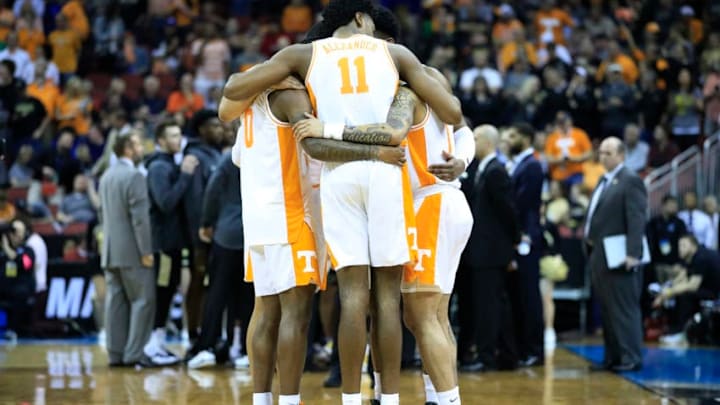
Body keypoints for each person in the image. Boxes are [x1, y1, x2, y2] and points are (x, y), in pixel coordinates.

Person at [222, 2, 461, 404]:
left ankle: (351, 398)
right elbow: (452, 112)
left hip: (336, 171)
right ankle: (389, 398)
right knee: (387, 297)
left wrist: (275, 80)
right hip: (387, 171)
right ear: (362, 18)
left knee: (351, 296)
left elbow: (231, 91)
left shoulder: (303, 54)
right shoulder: (396, 54)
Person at [293, 9, 474, 404]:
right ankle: (403, 393)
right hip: (424, 199)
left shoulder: (410, 83)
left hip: (430, 200)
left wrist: (328, 128)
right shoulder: (413, 80)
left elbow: (451, 124)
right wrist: (463, 158)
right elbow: (462, 128)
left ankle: (444, 400)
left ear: (384, 45)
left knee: (421, 312)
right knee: (414, 311)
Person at [98, 132, 172, 367]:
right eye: (138, 145)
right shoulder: (135, 176)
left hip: (110, 251)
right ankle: (134, 354)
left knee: (116, 303)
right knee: (143, 301)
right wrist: (146, 251)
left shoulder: (106, 176)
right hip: (133, 252)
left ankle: (115, 354)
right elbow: (140, 220)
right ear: (128, 150)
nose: (142, 148)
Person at [457, 125, 520, 373]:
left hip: (491, 253)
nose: (471, 142)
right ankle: (502, 354)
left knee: (489, 306)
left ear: (487, 141)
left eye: (475, 138)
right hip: (483, 252)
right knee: (492, 305)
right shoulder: (485, 169)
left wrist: (514, 241)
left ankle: (487, 356)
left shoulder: (495, 171)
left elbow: (508, 211)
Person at [584, 137, 648, 372]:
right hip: (600, 255)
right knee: (608, 310)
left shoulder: (630, 180)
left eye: (608, 153)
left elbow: (637, 218)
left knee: (624, 309)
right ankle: (613, 358)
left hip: (621, 256)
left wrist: (633, 253)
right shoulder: (605, 180)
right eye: (601, 152)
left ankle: (631, 357)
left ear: (622, 155)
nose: (603, 156)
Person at [188, 149, 253, 370]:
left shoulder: (228, 158)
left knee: (216, 293)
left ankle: (206, 347)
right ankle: (246, 351)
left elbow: (212, 191)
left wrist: (206, 222)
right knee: (249, 296)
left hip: (226, 234)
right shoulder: (263, 152)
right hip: (253, 232)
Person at [144, 121, 198, 364]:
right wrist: (185, 176)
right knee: (163, 291)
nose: (179, 139)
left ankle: (160, 342)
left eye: (180, 135)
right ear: (161, 141)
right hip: (164, 244)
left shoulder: (167, 164)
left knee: (169, 289)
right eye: (173, 135)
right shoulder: (157, 167)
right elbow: (165, 202)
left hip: (174, 242)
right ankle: (154, 344)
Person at [182, 110, 224, 345]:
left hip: (217, 231)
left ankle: (211, 332)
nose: (219, 130)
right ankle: (192, 334)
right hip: (202, 233)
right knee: (198, 282)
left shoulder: (214, 155)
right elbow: (196, 199)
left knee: (213, 286)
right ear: (201, 130)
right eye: (214, 126)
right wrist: (202, 230)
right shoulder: (196, 157)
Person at [506, 122, 546, 367]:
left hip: (527, 237)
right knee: (520, 295)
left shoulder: (532, 166)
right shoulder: (521, 164)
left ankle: (534, 349)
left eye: (513, 135)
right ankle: (524, 347)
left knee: (529, 295)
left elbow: (520, 204)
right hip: (519, 236)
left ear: (526, 138)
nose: (508, 139)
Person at [653, 234, 720, 346]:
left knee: (685, 295)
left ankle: (681, 333)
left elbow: (692, 285)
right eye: (679, 245)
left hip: (715, 292)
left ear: (693, 246)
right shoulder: (691, 257)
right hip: (707, 288)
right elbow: (682, 277)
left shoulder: (701, 257)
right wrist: (666, 289)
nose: (680, 248)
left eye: (684, 245)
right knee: (679, 292)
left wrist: (668, 293)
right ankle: (675, 330)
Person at [0, 219, 35, 339]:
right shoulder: (2, 252)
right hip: (4, 288)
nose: (18, 235)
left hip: (20, 289)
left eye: (20, 232)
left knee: (20, 293)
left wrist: (8, 250)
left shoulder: (28, 251)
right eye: (15, 232)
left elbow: (26, 264)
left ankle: (13, 330)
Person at [544, 111, 592, 186]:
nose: (562, 124)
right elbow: (548, 157)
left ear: (570, 121)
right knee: (554, 189)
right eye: (559, 122)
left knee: (575, 191)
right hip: (558, 175)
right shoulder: (552, 137)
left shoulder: (580, 134)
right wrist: (559, 159)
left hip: (576, 173)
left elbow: (588, 153)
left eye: (564, 121)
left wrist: (574, 158)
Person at [647, 195, 688, 269]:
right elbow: (650, 242)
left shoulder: (679, 223)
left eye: (675, 205)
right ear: (663, 206)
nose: (674, 207)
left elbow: (684, 241)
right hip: (658, 263)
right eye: (671, 205)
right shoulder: (653, 223)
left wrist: (681, 262)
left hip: (675, 263)